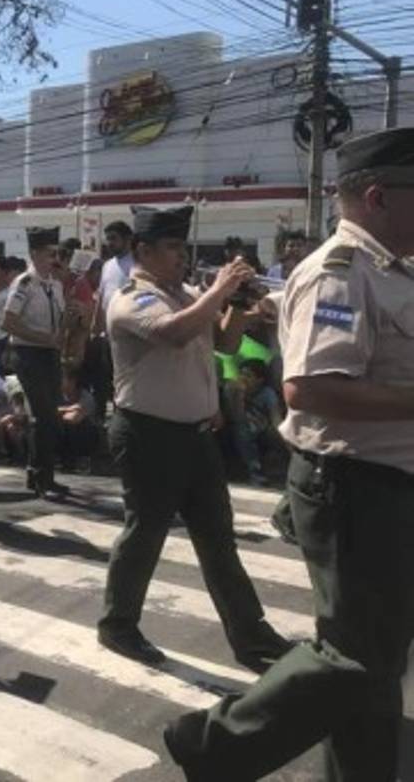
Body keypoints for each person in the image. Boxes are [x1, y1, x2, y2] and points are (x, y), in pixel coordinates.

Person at [164, 128, 414, 782]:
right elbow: (311, 388)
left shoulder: (393, 268)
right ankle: (214, 744)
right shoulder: (339, 274)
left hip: (386, 482)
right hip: (356, 487)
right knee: (355, 657)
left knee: (378, 658)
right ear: (377, 196)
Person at [95, 204, 291, 672]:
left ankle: (250, 634)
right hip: (148, 434)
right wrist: (219, 290)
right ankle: (118, 624)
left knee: (218, 539)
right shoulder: (131, 297)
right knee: (145, 532)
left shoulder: (184, 292)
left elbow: (223, 343)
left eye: (183, 246)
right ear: (143, 250)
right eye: (172, 247)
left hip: (196, 434)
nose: (183, 256)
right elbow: (174, 333)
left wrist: (240, 305)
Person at [1, 226, 69, 497]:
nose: (55, 258)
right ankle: (43, 479)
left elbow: (60, 325)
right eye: (49, 253)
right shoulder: (24, 283)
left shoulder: (55, 284)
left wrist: (71, 318)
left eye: (56, 253)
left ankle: (36, 472)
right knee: (43, 417)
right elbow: (9, 322)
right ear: (34, 253)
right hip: (29, 354)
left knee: (50, 416)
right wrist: (44, 338)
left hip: (49, 354)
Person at [223, 357, 284, 486]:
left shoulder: (267, 393)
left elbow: (275, 417)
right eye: (242, 374)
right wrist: (239, 395)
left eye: (248, 376)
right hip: (240, 426)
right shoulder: (232, 389)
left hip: (260, 427)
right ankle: (255, 471)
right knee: (242, 432)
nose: (243, 379)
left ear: (259, 380)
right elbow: (236, 417)